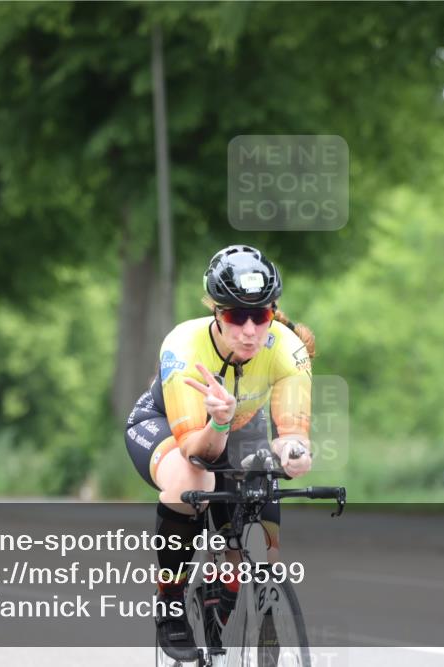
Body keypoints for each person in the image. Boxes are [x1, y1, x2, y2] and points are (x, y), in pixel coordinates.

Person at [125, 245, 315, 661]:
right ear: (216, 312)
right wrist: (221, 421)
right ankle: (171, 602)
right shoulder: (184, 345)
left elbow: (291, 434)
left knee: (263, 536)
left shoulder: (288, 348)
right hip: (172, 428)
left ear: (273, 313)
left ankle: (233, 605)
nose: (249, 330)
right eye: (235, 316)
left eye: (260, 315)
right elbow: (199, 451)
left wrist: (296, 455)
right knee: (193, 479)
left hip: (239, 427)